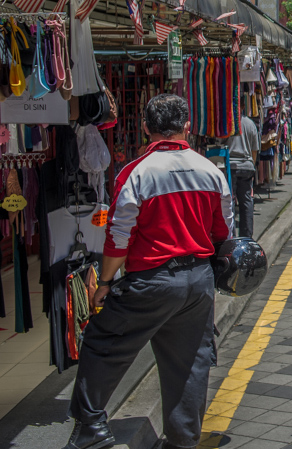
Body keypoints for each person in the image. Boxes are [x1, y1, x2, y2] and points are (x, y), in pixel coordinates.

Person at [65, 94, 233, 449]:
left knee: (103, 342)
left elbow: (118, 236)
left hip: (152, 280)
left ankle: (92, 426)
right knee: (189, 361)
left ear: (145, 128)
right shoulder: (211, 172)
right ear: (188, 127)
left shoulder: (136, 172)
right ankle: (182, 440)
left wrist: (105, 283)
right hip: (199, 281)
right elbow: (225, 234)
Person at [227, 108, 260, 238]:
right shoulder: (250, 124)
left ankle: (231, 236)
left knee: (229, 202)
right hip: (247, 166)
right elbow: (254, 150)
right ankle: (246, 236)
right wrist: (252, 164)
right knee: (246, 201)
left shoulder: (228, 123)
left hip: (231, 166)